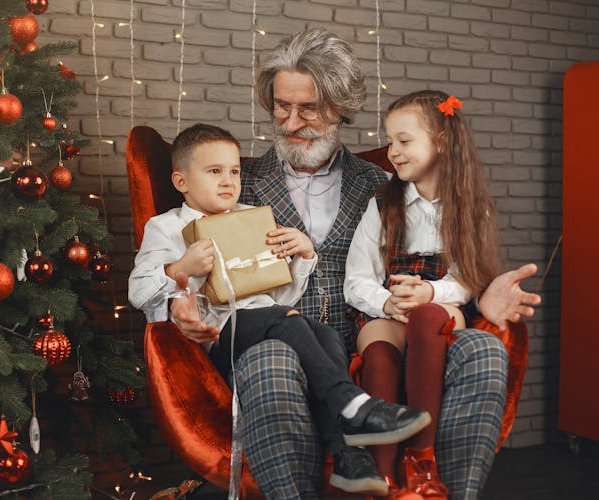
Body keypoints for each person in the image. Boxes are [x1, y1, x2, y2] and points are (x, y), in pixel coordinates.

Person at [171, 29, 541, 500]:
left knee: (485, 351)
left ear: (340, 107)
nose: (290, 122)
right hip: (284, 349)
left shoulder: (386, 186)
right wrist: (181, 303)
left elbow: (447, 256)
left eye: (308, 109)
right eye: (281, 107)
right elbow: (182, 265)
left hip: (379, 336)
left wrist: (481, 293)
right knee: (268, 358)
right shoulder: (232, 187)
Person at [128, 123, 432, 496]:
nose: (228, 181)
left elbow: (280, 296)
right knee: (280, 320)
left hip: (267, 324)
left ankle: (347, 457)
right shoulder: (166, 227)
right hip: (219, 341)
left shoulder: (253, 216)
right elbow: (139, 291)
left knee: (325, 336)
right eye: (214, 171)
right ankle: (352, 405)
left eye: (235, 171)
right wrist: (180, 270)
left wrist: (303, 255)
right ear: (181, 182)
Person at [343, 90, 501, 499]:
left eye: (404, 140)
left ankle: (420, 462)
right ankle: (383, 474)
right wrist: (388, 302)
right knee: (378, 352)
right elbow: (357, 278)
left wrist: (428, 291)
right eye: (389, 140)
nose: (392, 151)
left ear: (442, 142)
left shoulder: (470, 206)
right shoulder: (383, 203)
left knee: (430, 316)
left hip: (441, 305)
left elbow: (470, 279)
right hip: (387, 309)